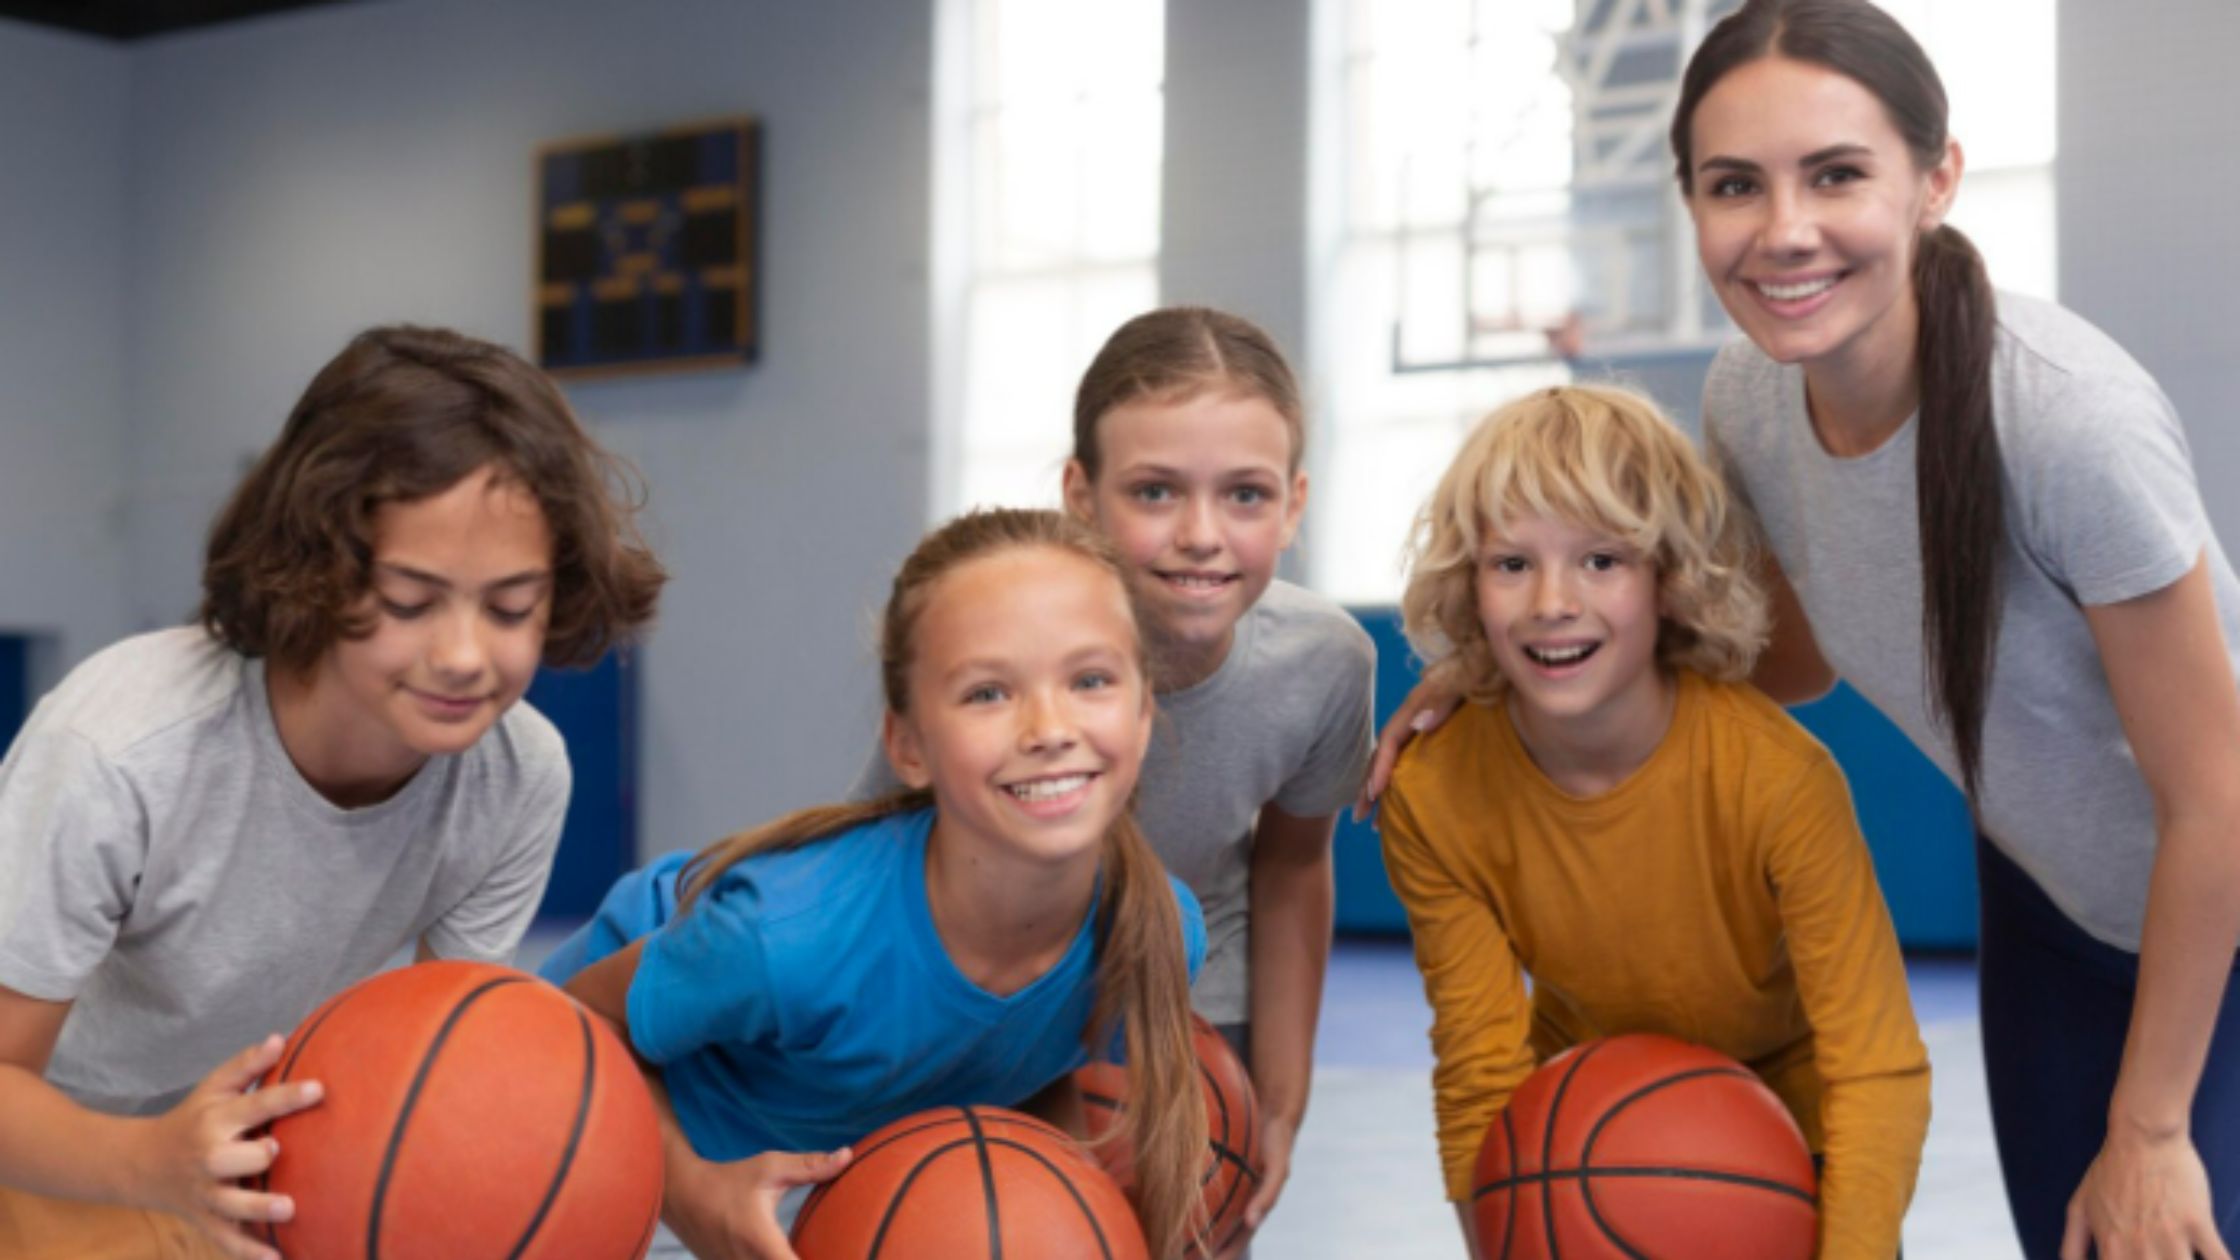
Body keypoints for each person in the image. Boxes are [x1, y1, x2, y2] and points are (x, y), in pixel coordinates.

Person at [1369, 2, 2240, 1254]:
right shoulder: (1750, 395)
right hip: (2053, 903)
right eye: (1734, 185)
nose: (1782, 230)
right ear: (1690, 204)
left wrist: (2150, 1130)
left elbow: (2214, 800)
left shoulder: (2061, 421)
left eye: (1835, 174)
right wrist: (1501, 671)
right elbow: (1785, 657)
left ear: (1934, 178)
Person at [0, 325, 666, 1260]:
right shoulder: (125, 750)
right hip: (52, 1152)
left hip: (226, 1168)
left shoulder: (517, 775)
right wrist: (147, 1160)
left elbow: (453, 1063)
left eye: (512, 606)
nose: (466, 656)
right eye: (409, 601)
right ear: (312, 564)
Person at [548, 508, 1213, 1260]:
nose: (1048, 727)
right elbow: (569, 1029)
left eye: (1090, 679)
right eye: (988, 693)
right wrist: (697, 1194)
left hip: (809, 1156)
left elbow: (1028, 1057)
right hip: (577, 1089)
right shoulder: (784, 940)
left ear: (1144, 713)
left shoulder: (1155, 934)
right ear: (908, 745)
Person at [860, 307, 1376, 1249]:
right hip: (992, 985)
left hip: (1192, 998)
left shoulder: (1323, 663)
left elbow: (1294, 866)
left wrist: (1282, 1097)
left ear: (1295, 505)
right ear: (1081, 497)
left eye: (1246, 496)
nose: (1201, 535)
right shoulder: (994, 644)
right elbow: (881, 870)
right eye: (1155, 492)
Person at [1379, 384, 1927, 1258]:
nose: (1552, 601)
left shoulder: (1780, 780)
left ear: (1668, 581)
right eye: (1511, 564)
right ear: (1470, 584)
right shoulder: (1435, 792)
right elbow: (1480, 1067)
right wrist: (1506, 1235)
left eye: (1602, 560)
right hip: (1583, 1126)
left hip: (1796, 1125)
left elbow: (1874, 1062)